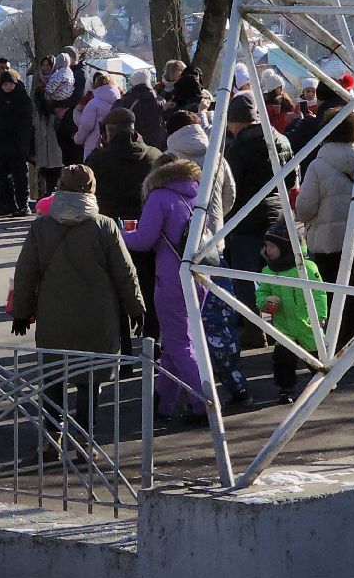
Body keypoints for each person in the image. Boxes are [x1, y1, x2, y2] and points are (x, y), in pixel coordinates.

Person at [9, 165, 146, 438]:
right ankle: (86, 436)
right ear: (91, 190)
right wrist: (136, 308)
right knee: (91, 379)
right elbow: (125, 272)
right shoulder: (104, 226)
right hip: (97, 316)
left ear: (59, 188)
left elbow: (25, 272)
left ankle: (51, 434)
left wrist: (22, 313)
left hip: (53, 314)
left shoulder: (41, 227)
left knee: (53, 376)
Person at [166, 122, 248, 403]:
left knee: (188, 326)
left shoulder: (172, 165)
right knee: (219, 320)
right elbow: (230, 194)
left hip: (184, 250)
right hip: (214, 244)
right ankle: (234, 381)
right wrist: (218, 220)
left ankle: (195, 392)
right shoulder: (217, 156)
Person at [124, 155, 208, 424]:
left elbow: (143, 240)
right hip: (200, 273)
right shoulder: (198, 194)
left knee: (179, 343)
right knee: (177, 341)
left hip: (171, 277)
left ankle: (204, 403)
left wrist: (117, 234)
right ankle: (162, 402)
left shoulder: (160, 198)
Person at [86, 106, 161, 332]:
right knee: (148, 287)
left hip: (111, 231)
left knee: (115, 290)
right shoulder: (154, 156)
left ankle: (122, 349)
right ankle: (152, 341)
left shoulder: (98, 160)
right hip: (147, 230)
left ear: (109, 131)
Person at [294, 109, 354, 348]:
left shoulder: (318, 165)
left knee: (332, 295)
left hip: (326, 241)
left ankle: (337, 342)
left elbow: (304, 208)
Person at [222, 94, 293, 281]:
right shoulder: (282, 139)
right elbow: (292, 180)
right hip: (277, 219)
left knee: (246, 285)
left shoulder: (238, 148)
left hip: (246, 222)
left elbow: (229, 186)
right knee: (280, 281)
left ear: (237, 122)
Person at [254, 224, 328, 403]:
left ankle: (324, 379)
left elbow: (319, 293)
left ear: (286, 247)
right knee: (282, 360)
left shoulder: (307, 268)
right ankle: (285, 389)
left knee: (316, 355)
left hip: (307, 323)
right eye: (266, 246)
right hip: (283, 325)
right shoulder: (268, 271)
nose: (267, 250)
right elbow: (261, 292)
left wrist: (321, 315)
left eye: (272, 246)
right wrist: (265, 303)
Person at [0, 72, 34, 215]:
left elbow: (20, 122)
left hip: (17, 143)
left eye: (10, 84)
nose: (8, 87)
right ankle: (7, 204)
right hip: (1, 145)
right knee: (1, 175)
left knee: (19, 176)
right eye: (5, 84)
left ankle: (23, 204)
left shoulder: (22, 98)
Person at [30, 61, 66, 199]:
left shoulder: (60, 83)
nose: (45, 68)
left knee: (56, 162)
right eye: (43, 65)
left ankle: (51, 192)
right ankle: (43, 194)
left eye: (48, 65)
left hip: (53, 126)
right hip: (40, 126)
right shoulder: (39, 84)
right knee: (43, 164)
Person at [74, 72, 122, 159]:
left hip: (94, 146)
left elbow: (86, 125)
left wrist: (78, 138)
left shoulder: (93, 104)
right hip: (115, 145)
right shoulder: (120, 101)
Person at [118, 68, 167, 150]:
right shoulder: (160, 101)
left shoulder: (124, 102)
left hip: (132, 144)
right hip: (156, 145)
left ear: (133, 83)